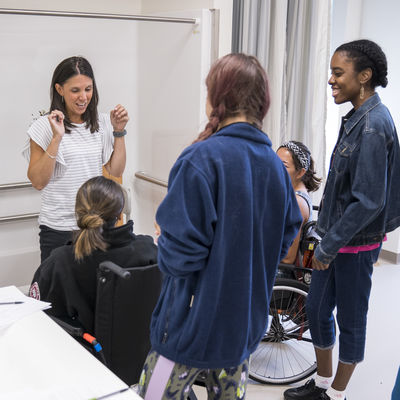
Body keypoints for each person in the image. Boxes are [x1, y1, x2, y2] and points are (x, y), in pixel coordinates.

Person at [136, 53, 302, 400]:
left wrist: (164, 240)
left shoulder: (200, 159)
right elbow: (287, 233)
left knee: (152, 394)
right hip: (243, 324)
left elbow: (180, 257)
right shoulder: (275, 167)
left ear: (216, 98)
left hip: (188, 324)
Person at [284, 39, 400, 400]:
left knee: (350, 320)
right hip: (334, 237)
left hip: (355, 244)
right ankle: (320, 383)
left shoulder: (373, 126)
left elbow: (368, 201)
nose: (331, 81)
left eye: (338, 73)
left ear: (364, 76)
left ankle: (336, 395)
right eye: (331, 73)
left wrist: (328, 245)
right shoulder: (356, 118)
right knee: (316, 311)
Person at [23, 56, 129, 263]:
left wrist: (119, 131)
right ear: (60, 89)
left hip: (95, 227)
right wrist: (57, 137)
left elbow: (115, 171)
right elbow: (37, 181)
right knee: (56, 293)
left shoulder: (103, 122)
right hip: (57, 229)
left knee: (95, 291)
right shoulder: (44, 127)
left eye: (88, 89)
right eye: (75, 90)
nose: (83, 97)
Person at [29, 176, 157, 333]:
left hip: (80, 353)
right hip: (142, 351)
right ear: (120, 213)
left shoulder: (59, 262)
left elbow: (35, 317)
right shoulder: (148, 250)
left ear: (78, 213)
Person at [277, 141, 321, 264]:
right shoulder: (293, 194)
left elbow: (288, 258)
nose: (275, 169)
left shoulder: (297, 202)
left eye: (284, 166)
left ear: (301, 172)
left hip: (282, 271)